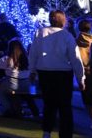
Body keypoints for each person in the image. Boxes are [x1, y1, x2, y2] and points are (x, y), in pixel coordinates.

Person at [29, 10, 85, 138]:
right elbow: (75, 58)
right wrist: (81, 78)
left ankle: (47, 131)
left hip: (45, 72)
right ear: (63, 20)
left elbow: (33, 53)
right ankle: (65, 134)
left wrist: (32, 70)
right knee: (64, 105)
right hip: (63, 74)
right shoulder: (66, 35)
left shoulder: (40, 33)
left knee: (49, 103)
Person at [0, 38, 35, 117]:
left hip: (12, 83)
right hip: (26, 84)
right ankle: (19, 109)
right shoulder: (27, 58)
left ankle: (8, 109)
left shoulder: (7, 59)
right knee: (17, 93)